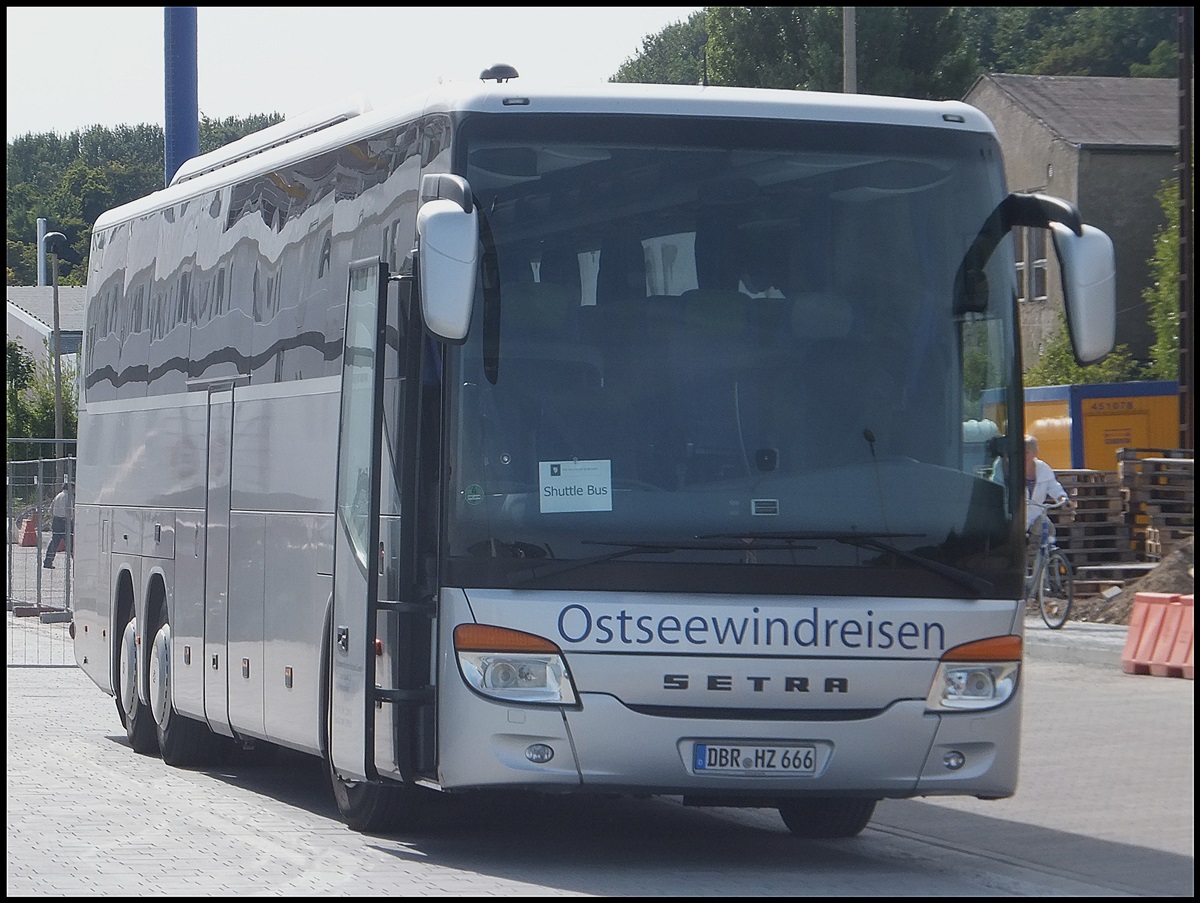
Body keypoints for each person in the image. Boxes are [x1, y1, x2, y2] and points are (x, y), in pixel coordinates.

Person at [1022, 434, 1072, 537]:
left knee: (1048, 530)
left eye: (1026, 453)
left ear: (1035, 453)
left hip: (1036, 515)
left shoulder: (1043, 468)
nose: (1023, 456)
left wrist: (1062, 499)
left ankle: (1046, 551)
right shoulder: (1007, 468)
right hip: (1015, 518)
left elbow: (1053, 486)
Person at [42, 478, 73, 569]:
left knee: (54, 542)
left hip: (56, 520)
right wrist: (72, 520)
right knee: (71, 543)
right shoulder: (69, 497)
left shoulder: (58, 496)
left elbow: (50, 509)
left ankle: (48, 561)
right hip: (65, 521)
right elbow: (70, 510)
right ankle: (77, 562)